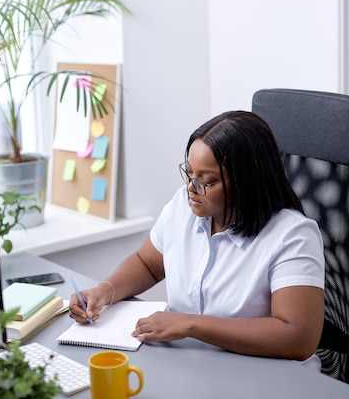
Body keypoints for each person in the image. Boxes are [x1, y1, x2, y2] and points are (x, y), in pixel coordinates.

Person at [69, 111, 325, 367]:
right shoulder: (184, 205)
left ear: (246, 183)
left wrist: (190, 324)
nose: (191, 187)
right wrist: (105, 291)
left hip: (264, 375)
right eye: (189, 173)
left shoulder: (292, 236)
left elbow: (298, 338)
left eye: (207, 180)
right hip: (190, 365)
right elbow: (147, 263)